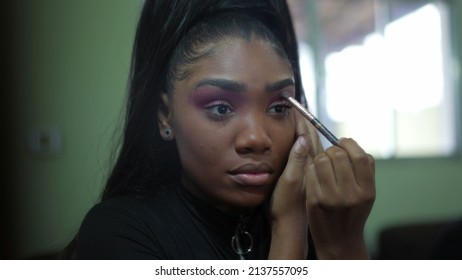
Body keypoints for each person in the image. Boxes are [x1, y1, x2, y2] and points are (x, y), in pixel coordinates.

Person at [67, 0, 376, 259]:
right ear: (165, 115)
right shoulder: (118, 233)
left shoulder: (327, 221)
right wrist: (292, 230)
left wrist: (342, 243)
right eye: (220, 108)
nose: (256, 138)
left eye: (279, 107)